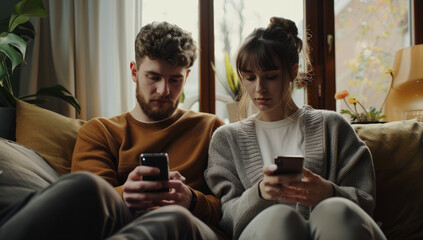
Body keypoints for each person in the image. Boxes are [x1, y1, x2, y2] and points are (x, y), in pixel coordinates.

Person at [205, 17, 387, 240]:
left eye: (270, 77)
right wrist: (260, 193)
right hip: (264, 232)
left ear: (293, 72)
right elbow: (226, 219)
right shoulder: (226, 139)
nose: (259, 88)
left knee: (335, 209)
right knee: (279, 217)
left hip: (335, 228)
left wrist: (328, 193)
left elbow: (365, 201)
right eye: (250, 78)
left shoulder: (333, 126)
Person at [70, 21, 226, 239]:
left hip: (191, 228)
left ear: (186, 77)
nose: (164, 90)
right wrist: (125, 194)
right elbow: (86, 209)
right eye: (153, 77)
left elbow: (231, 207)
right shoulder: (100, 132)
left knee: (174, 217)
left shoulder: (211, 128)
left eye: (175, 80)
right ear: (134, 72)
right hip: (130, 227)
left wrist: (191, 200)